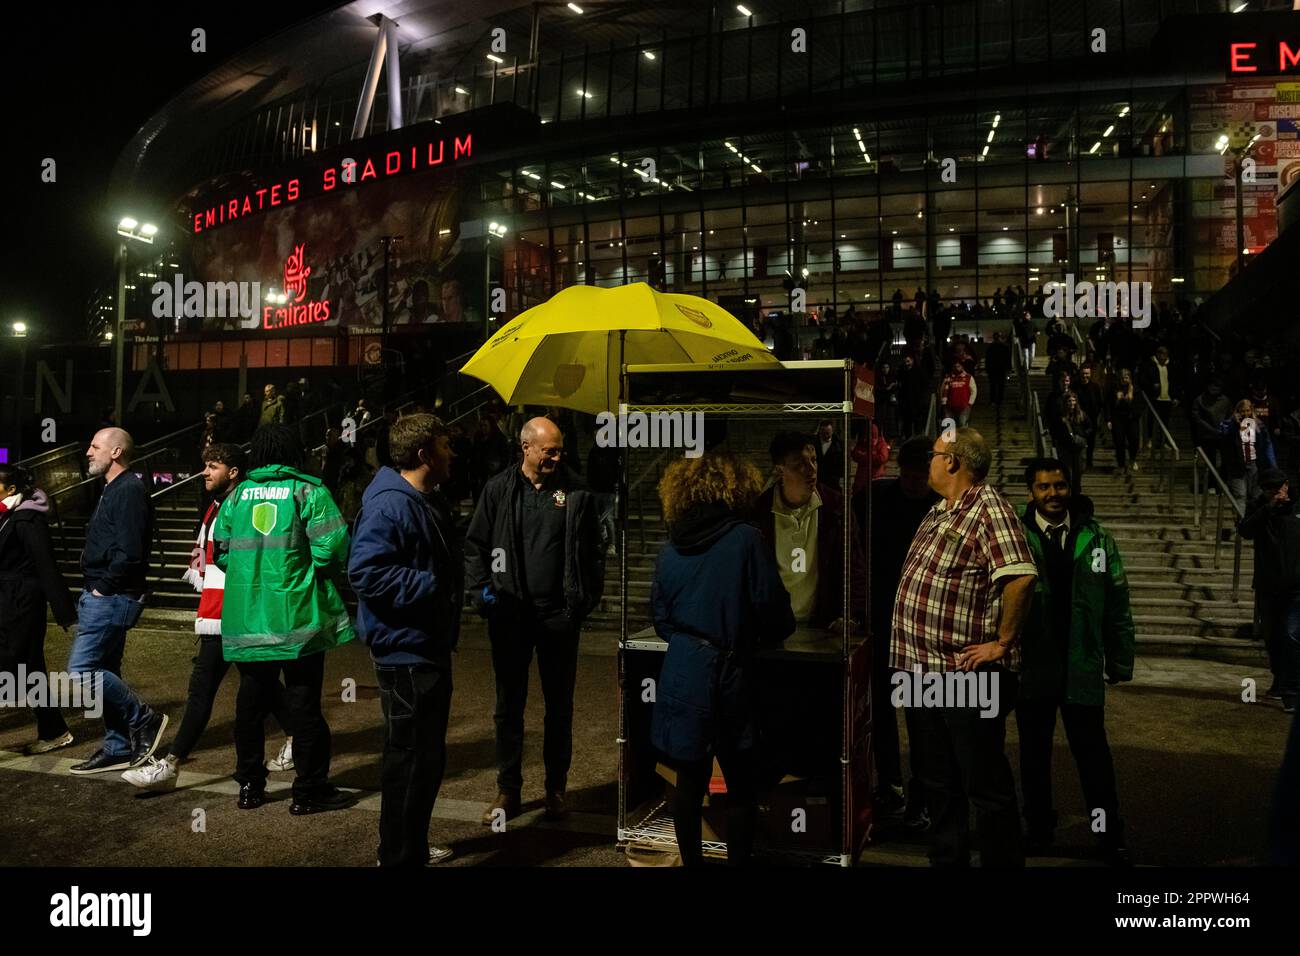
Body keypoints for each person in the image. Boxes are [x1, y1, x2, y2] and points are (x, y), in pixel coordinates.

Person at [890, 427, 1038, 866]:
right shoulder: (941, 511)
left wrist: (1003, 642)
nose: (928, 462)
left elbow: (1021, 575)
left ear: (952, 462)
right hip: (922, 671)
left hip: (964, 675)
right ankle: (948, 861)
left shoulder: (989, 508)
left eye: (934, 454)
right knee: (936, 780)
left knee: (983, 782)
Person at [650, 453, 795, 865]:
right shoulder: (746, 539)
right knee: (740, 782)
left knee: (687, 779)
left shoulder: (670, 546)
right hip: (730, 675)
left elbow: (660, 618)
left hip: (681, 672)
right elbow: (776, 614)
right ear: (733, 490)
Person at [122, 444, 293, 791]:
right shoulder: (218, 506)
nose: (205, 472)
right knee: (261, 685)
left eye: (213, 466)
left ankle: (170, 764)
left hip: (231, 612)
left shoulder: (238, 506)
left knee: (205, 689)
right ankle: (299, 740)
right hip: (228, 612)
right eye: (205, 466)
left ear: (233, 472)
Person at [464, 417, 605, 824]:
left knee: (559, 707)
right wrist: (485, 597)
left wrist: (583, 603)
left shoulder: (575, 491)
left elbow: (594, 550)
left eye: (560, 450)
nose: (557, 457)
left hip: (559, 617)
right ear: (526, 447)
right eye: (550, 450)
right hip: (510, 617)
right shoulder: (498, 489)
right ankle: (508, 789)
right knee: (509, 707)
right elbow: (475, 546)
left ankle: (555, 789)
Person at [212, 425, 356, 814]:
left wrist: (251, 576)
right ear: (294, 451)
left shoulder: (237, 495)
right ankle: (309, 791)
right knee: (304, 706)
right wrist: (306, 574)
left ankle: (250, 788)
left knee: (249, 706)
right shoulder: (308, 491)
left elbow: (221, 551)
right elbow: (333, 547)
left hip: (247, 619)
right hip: (297, 619)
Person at [349, 414, 463, 866]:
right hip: (407, 651)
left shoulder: (418, 498)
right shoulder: (391, 505)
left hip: (420, 646)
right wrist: (433, 585)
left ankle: (405, 847)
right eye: (445, 446)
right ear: (424, 455)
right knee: (412, 760)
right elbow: (365, 571)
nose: (451, 453)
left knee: (419, 758)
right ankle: (399, 855)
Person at [1017, 459, 1134, 865]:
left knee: (1094, 757)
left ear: (1070, 488)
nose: (1053, 494)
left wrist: (1120, 658)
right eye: (1043, 487)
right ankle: (1038, 829)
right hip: (1032, 664)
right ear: (1030, 491)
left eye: (1060, 486)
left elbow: (1117, 601)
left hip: (1081, 663)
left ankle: (1106, 832)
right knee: (1033, 754)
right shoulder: (1014, 533)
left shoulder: (1098, 539)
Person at [68, 428, 169, 775]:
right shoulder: (114, 488)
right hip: (105, 593)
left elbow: (130, 552)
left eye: (95, 446)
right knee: (106, 670)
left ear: (116, 452)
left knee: (82, 672)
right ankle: (117, 746)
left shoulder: (127, 490)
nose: (88, 452)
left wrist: (103, 587)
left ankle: (145, 719)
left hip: (110, 596)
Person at [861, 438, 938, 830]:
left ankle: (920, 795)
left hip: (920, 632)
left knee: (922, 719)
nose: (912, 481)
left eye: (919, 476)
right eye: (907, 474)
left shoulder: (940, 506)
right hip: (882, 623)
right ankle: (890, 787)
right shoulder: (877, 496)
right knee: (884, 714)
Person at [0, 464, 78, 755]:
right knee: (30, 669)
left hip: (21, 604)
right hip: (8, 602)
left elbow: (46, 566)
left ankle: (54, 730)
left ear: (12, 490)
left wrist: (64, 613)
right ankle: (54, 730)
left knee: (23, 666)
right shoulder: (7, 516)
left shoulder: (26, 518)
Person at [754, 432, 865, 633]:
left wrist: (850, 615)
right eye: (799, 465)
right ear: (780, 469)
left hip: (822, 625)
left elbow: (854, 566)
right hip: (770, 627)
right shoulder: (760, 511)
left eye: (813, 460)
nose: (811, 470)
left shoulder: (835, 507)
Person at [1238, 469, 1300, 714]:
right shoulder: (1259, 508)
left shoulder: (1296, 508)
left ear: (1286, 485)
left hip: (1296, 586)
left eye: (1278, 488)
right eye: (1269, 489)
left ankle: (1292, 692)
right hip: (1268, 584)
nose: (1275, 493)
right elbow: (1245, 531)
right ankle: (1280, 679)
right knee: (1273, 637)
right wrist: (1268, 508)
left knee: (1292, 635)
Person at [1220, 399, 1276, 513]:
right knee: (1240, 495)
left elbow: (1267, 444)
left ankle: (1253, 524)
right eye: (1242, 411)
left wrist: (1273, 465)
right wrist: (1234, 423)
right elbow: (1224, 436)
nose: (1245, 413)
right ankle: (1239, 525)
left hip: (1254, 465)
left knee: (1255, 495)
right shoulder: (1230, 425)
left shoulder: (1258, 425)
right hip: (1237, 466)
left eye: (1248, 410)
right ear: (1238, 411)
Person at [1140, 346, 1177, 451]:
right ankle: (1150, 440)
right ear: (1157, 354)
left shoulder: (1170, 366)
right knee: (1151, 420)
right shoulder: (1150, 365)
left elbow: (1174, 382)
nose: (1163, 357)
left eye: (1165, 354)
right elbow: (1142, 380)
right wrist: (1152, 385)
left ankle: (1163, 441)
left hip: (1167, 398)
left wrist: (1175, 396)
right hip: (1154, 397)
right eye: (1161, 354)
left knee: (1165, 421)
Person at [1190, 380, 1231, 474]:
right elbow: (1197, 418)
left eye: (1217, 387)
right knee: (1210, 462)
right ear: (1208, 386)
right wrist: (1211, 430)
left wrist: (1225, 427)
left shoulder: (1225, 400)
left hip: (1222, 435)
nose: (1214, 389)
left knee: (1226, 460)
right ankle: (1211, 484)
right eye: (1212, 386)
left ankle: (1223, 481)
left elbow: (1230, 415)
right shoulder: (1200, 400)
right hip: (1207, 436)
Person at [1107, 368, 1141, 475]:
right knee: (1119, 441)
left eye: (1126, 377)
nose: (1124, 379)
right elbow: (1108, 404)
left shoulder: (1135, 389)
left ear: (1130, 378)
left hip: (1131, 419)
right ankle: (1121, 464)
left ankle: (1132, 459)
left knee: (1134, 439)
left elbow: (1140, 405)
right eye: (1122, 377)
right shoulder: (1114, 388)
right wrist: (1108, 419)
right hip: (1118, 419)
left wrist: (1129, 400)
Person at [1072, 364, 1105, 469]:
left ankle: (1089, 460)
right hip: (1078, 417)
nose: (1084, 375)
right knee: (1078, 439)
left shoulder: (1095, 387)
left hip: (1092, 418)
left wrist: (1099, 416)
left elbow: (1100, 403)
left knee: (1091, 441)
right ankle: (1079, 460)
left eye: (1087, 373)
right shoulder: (1074, 386)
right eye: (1083, 373)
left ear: (1090, 374)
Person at [939, 359, 977, 428]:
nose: (956, 368)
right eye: (955, 366)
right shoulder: (947, 378)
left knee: (962, 425)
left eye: (958, 366)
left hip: (964, 407)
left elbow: (974, 391)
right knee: (949, 427)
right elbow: (942, 390)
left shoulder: (969, 377)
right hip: (949, 407)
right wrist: (943, 403)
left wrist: (970, 403)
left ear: (962, 367)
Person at [812, 419, 846, 490]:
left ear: (832, 432)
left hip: (833, 480)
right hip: (818, 478)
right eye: (823, 433)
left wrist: (840, 476)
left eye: (828, 433)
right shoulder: (813, 443)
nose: (825, 435)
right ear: (820, 432)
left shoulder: (839, 445)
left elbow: (842, 462)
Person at [984, 332, 1011, 415]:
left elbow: (987, 359)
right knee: (999, 385)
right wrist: (1008, 369)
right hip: (999, 369)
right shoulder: (1004, 347)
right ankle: (998, 401)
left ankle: (994, 401)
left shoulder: (991, 347)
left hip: (995, 369)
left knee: (995, 385)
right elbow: (1008, 359)